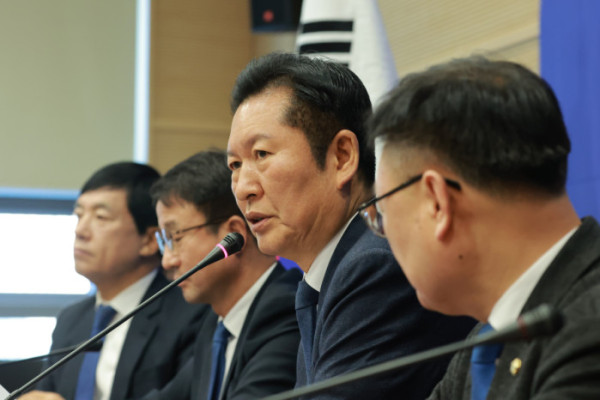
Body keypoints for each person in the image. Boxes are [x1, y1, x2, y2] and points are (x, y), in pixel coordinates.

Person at [226, 52, 476, 399]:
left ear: (341, 157)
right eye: (235, 165)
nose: (243, 188)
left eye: (261, 155)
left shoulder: (374, 265)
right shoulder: (322, 279)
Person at [366, 56, 600, 399]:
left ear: (437, 202)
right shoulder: (486, 341)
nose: (383, 233)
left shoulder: (587, 329)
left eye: (382, 213)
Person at [21, 162, 208, 400]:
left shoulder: (191, 312)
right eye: (79, 215)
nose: (80, 231)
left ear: (150, 240)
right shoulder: (71, 320)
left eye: (100, 217)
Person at [143, 150, 301, 399]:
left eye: (176, 238)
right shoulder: (216, 324)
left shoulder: (286, 311)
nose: (167, 261)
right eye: (165, 243)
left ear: (233, 235)